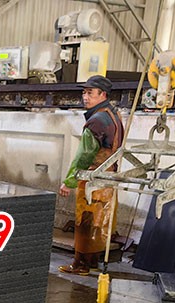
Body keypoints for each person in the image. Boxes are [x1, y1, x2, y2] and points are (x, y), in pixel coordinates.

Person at [58, 75, 124, 275]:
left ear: (103, 94)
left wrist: (70, 181)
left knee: (86, 222)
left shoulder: (96, 121)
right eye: (84, 92)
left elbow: (84, 156)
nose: (85, 97)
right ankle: (93, 262)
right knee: (99, 222)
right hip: (108, 178)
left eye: (90, 93)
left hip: (92, 179)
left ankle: (81, 265)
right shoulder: (114, 115)